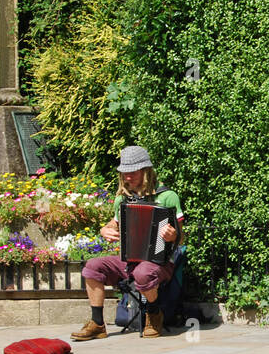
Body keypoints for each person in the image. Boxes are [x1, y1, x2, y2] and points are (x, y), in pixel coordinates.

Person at [71, 146, 184, 341]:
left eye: (132, 173)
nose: (127, 178)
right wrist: (104, 230)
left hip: (161, 261)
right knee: (92, 267)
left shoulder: (167, 196)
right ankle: (97, 324)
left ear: (145, 171)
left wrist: (173, 236)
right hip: (129, 259)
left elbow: (182, 236)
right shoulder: (122, 199)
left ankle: (154, 315)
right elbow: (112, 224)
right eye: (124, 173)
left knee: (143, 272)